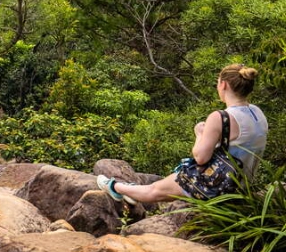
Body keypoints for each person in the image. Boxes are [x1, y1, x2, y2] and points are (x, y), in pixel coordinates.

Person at [97, 64, 268, 204]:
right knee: (164, 183)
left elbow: (200, 157)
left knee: (154, 191)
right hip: (243, 185)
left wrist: (199, 133)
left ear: (223, 85)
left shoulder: (221, 117)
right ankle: (132, 190)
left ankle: (115, 187)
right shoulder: (257, 113)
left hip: (218, 186)